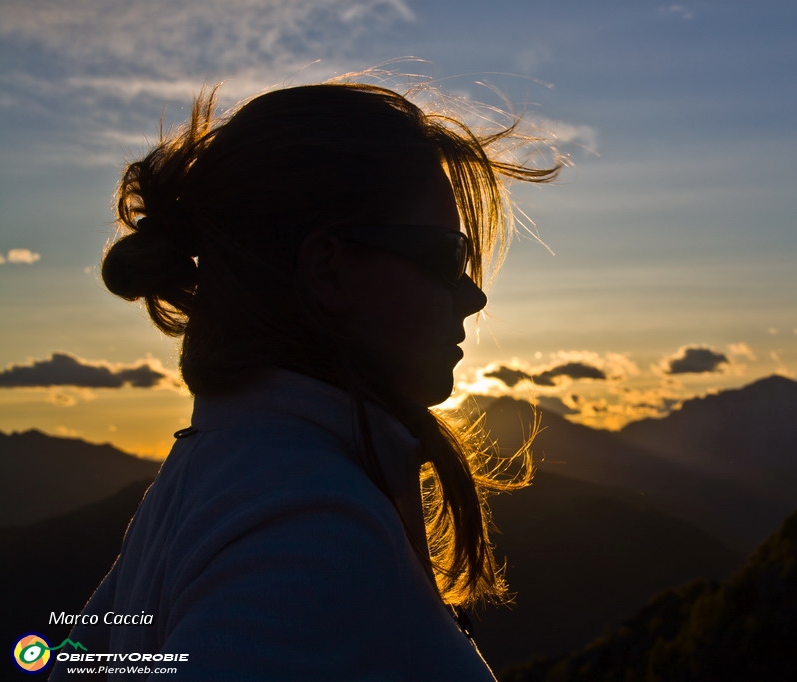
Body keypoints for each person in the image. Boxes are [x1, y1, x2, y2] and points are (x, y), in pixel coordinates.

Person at [48, 79, 559, 680]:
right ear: (329, 270)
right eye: (448, 257)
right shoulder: (307, 526)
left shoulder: (215, 481)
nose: (473, 296)